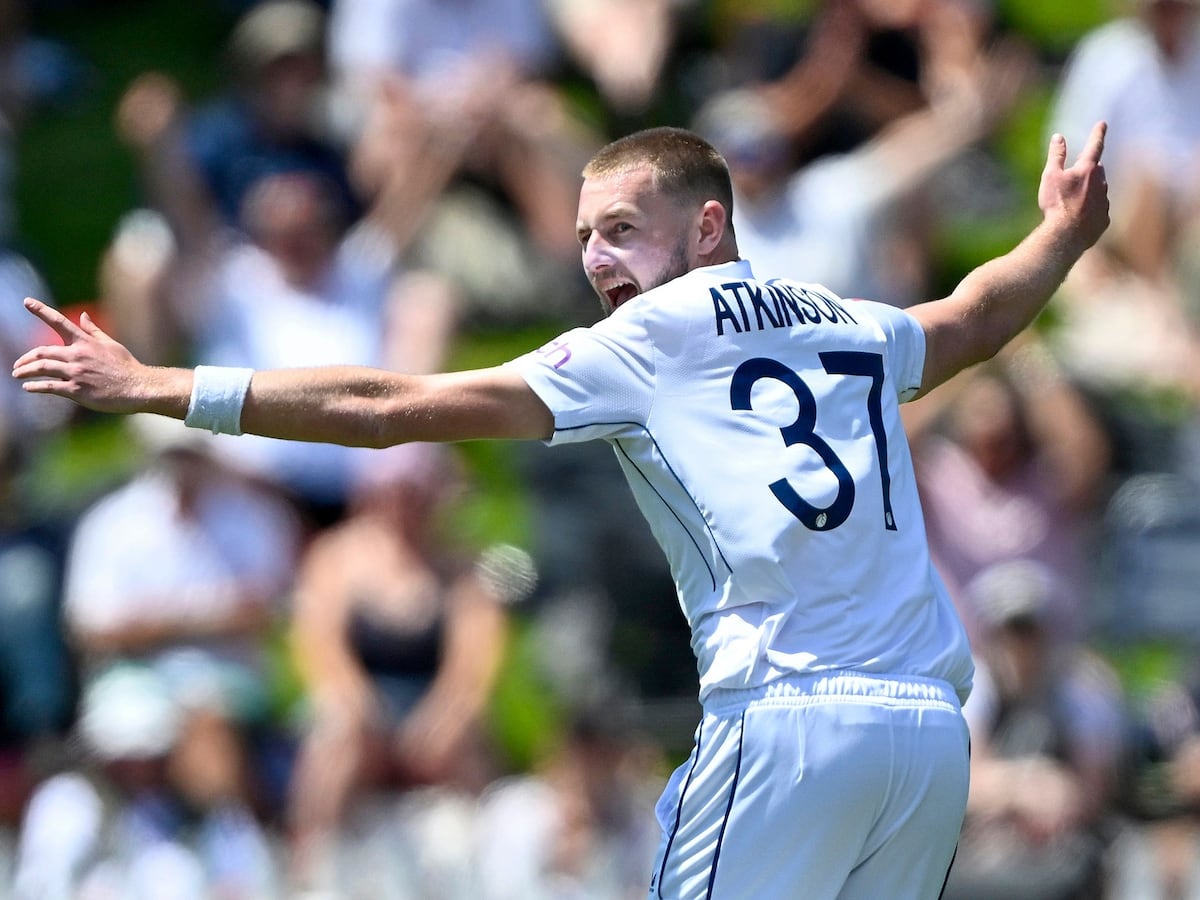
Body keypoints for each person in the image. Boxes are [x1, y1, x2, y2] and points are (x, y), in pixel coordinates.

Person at [11, 121, 1110, 898]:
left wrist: (162, 386)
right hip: (925, 733)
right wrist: (1058, 237)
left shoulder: (650, 337)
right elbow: (973, 318)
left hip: (789, 724)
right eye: (586, 234)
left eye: (624, 229)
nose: (595, 258)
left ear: (709, 227)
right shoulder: (848, 319)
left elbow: (393, 407)